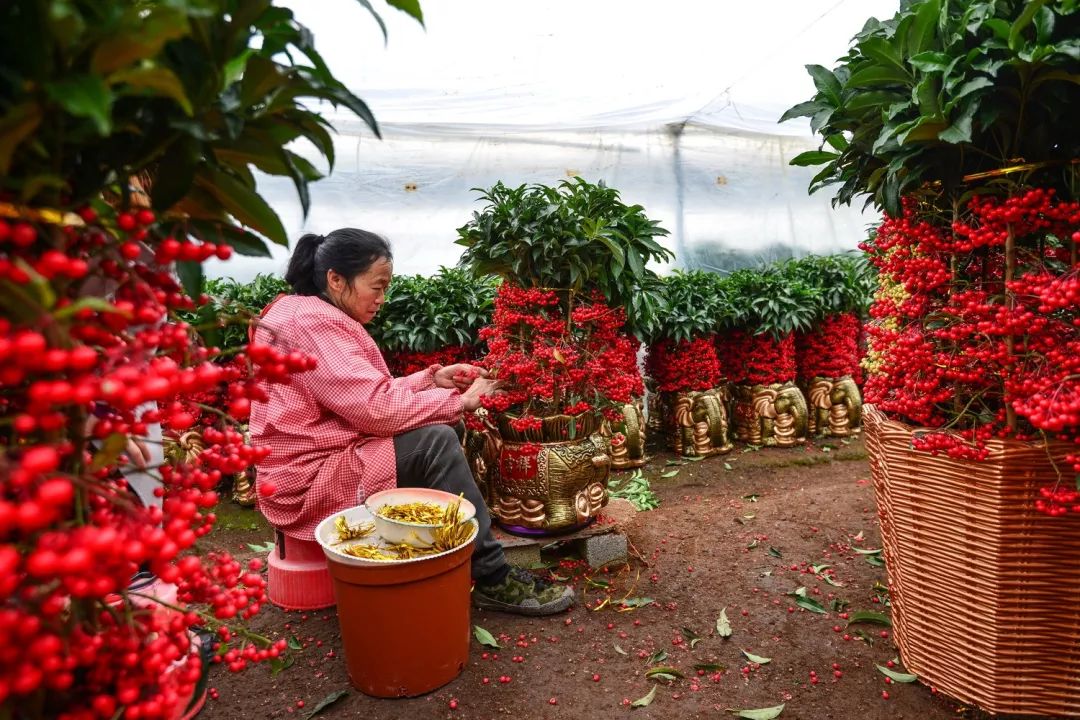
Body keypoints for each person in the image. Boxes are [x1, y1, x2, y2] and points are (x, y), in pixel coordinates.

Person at [249, 228, 574, 616]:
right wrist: (460, 400)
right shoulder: (313, 325)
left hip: (315, 459)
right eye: (377, 286)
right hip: (309, 478)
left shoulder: (301, 311)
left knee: (440, 432)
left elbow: (354, 394)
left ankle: (430, 553)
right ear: (336, 280)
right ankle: (492, 577)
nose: (382, 299)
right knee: (436, 440)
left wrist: (429, 380)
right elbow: (375, 410)